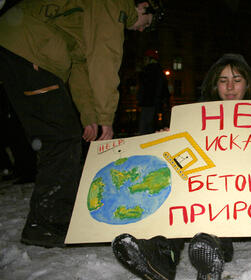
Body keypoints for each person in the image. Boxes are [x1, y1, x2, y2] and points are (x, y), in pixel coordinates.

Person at [0, 0, 163, 248]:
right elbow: (104, 58)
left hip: (21, 46)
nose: (140, 30)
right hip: (30, 47)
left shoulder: (82, 20)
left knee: (57, 135)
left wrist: (91, 118)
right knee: (61, 138)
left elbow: (79, 66)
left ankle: (47, 219)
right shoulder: (114, 4)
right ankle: (47, 222)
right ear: (144, 6)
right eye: (146, 24)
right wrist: (107, 118)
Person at [111, 53, 251, 280]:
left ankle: (213, 249)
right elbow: (184, 166)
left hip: (234, 208)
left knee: (207, 236)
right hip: (196, 200)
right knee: (176, 197)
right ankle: (163, 258)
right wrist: (167, 145)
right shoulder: (197, 119)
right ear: (215, 85)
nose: (230, 87)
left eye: (237, 79)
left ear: (248, 84)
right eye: (223, 80)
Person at [137, 49, 171, 134]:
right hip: (155, 104)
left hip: (148, 104)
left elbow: (145, 88)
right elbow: (165, 90)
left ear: (150, 59)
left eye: (145, 59)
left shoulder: (147, 71)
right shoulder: (160, 72)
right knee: (152, 129)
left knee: (145, 130)